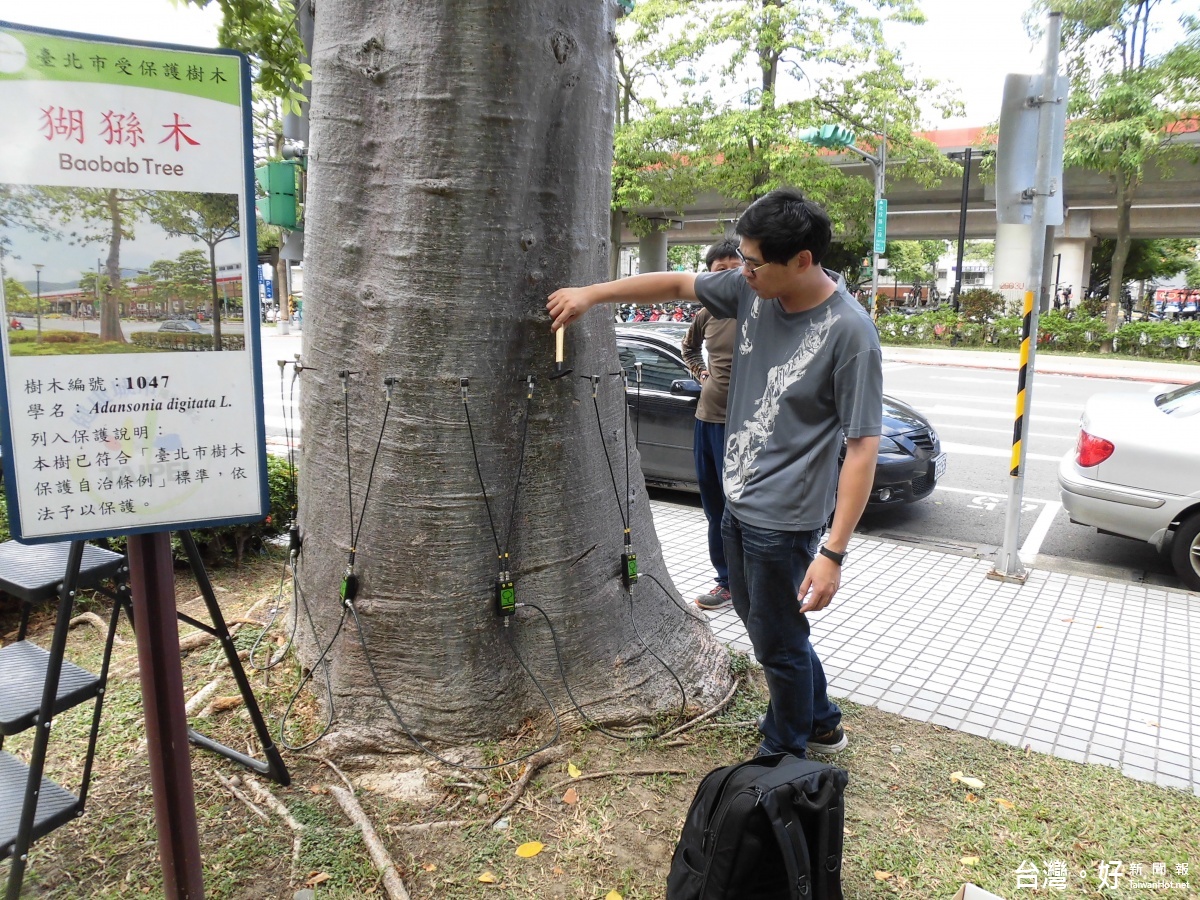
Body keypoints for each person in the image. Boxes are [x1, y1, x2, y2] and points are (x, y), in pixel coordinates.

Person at [548, 188, 882, 759]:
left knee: (776, 642)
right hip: (737, 504)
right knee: (763, 627)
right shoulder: (753, 292)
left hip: (786, 520)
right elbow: (677, 284)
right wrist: (592, 294)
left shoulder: (850, 333)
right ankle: (822, 718)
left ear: (801, 260)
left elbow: (862, 448)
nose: (741, 270)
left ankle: (783, 755)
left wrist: (833, 554)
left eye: (754, 262)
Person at [680, 240, 741, 610]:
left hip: (746, 426)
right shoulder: (706, 313)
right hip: (708, 419)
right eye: (722, 270)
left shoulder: (761, 310)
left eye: (737, 267)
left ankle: (751, 581)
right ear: (709, 275)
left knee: (743, 507)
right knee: (714, 506)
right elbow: (688, 348)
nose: (731, 275)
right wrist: (701, 373)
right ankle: (726, 581)